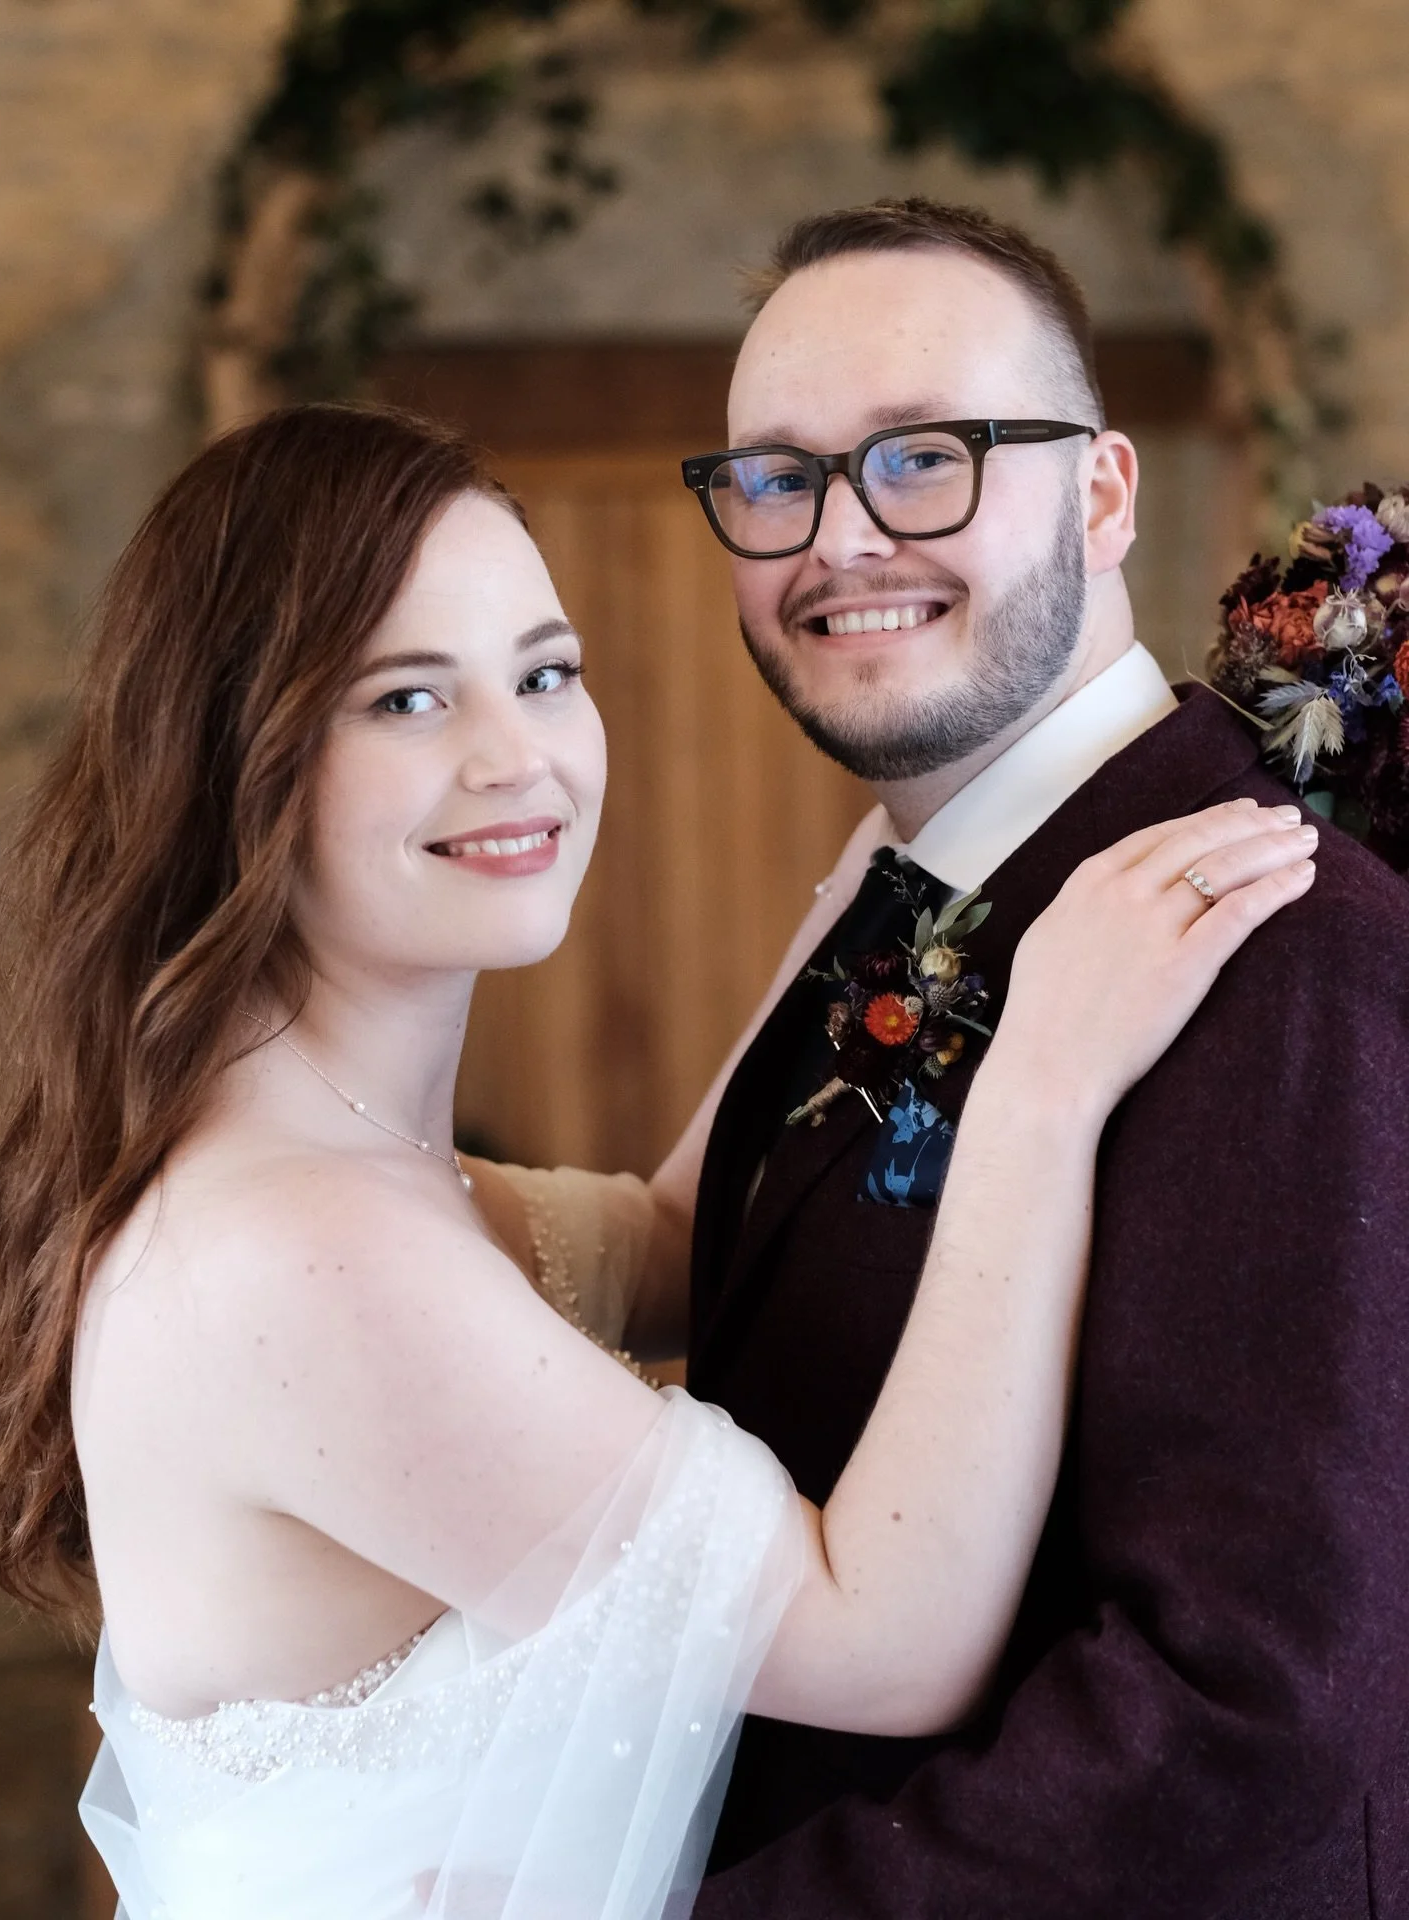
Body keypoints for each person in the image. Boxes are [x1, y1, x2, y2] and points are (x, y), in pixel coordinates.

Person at [0, 404, 1308, 1920]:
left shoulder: (350, 1162)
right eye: (408, 703)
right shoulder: (295, 1250)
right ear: (233, 755)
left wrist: (906, 873)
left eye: (545, 675)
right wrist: (1042, 1086)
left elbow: (675, 1238)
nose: (518, 758)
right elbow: (886, 1642)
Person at [647, 200, 1409, 1917]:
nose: (841, 538)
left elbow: (1252, 1714)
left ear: (1105, 490)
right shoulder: (908, 899)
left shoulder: (1281, 943)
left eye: (928, 456)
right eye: (775, 478)